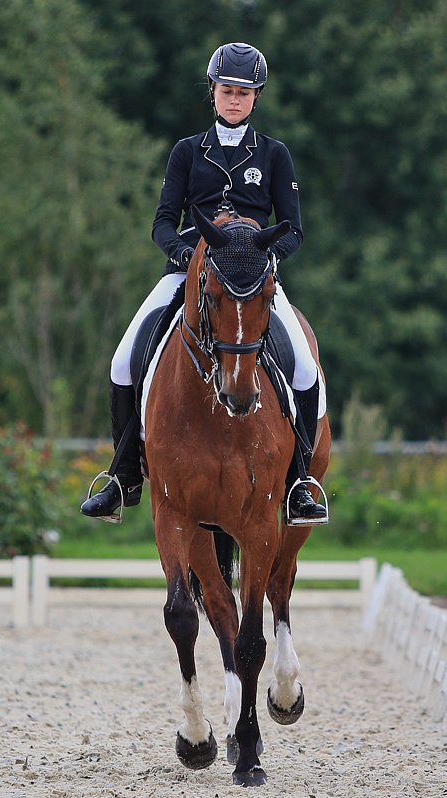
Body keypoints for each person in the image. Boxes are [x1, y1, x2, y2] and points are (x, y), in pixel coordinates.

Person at [81, 42, 327, 526]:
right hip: (191, 273)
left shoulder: (274, 154)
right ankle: (124, 475)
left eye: (244, 93)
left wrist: (265, 259)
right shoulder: (187, 151)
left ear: (256, 97)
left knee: (303, 368)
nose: (234, 100)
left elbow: (294, 229)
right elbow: (163, 222)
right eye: (227, 91)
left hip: (252, 279)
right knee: (122, 360)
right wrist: (180, 255)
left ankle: (298, 482)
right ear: (212, 91)